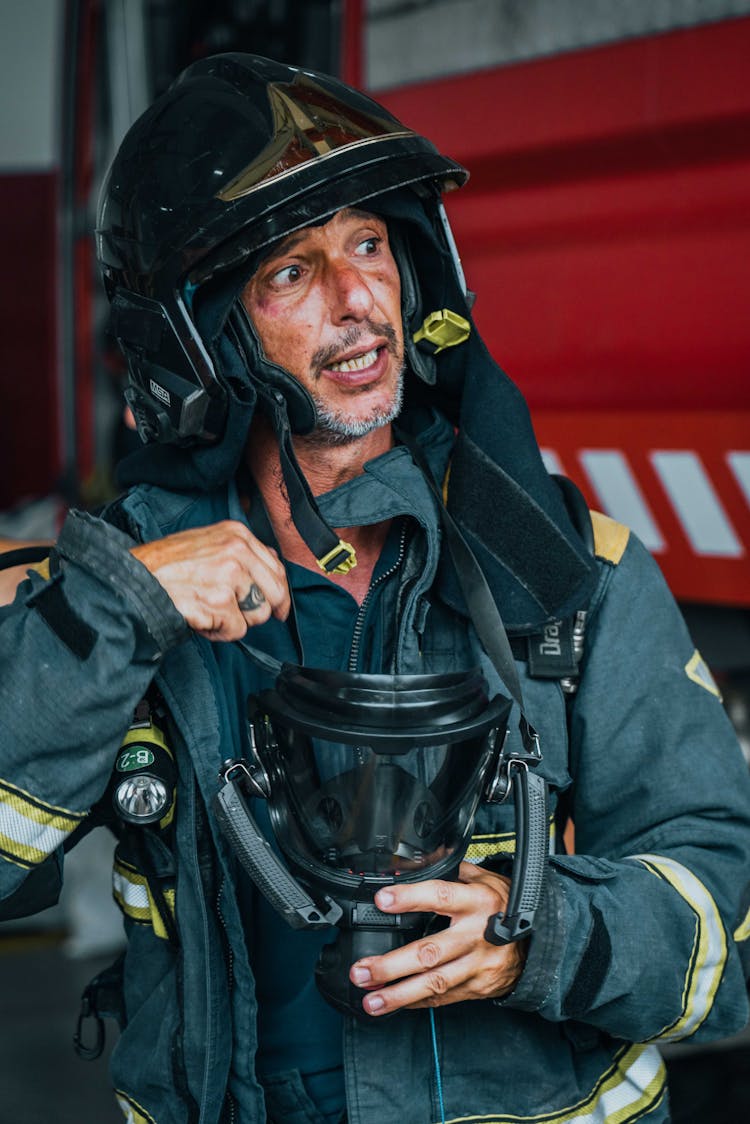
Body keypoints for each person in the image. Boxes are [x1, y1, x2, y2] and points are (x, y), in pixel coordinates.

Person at [1, 53, 749, 1124]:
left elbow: (728, 926)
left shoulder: (562, 567)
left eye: (368, 243)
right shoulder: (129, 592)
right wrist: (115, 605)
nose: (359, 301)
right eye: (293, 273)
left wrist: (538, 935)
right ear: (208, 338)